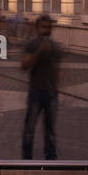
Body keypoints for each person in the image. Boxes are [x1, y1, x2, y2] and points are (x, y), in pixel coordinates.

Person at [20, 14, 60, 160]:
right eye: (43, 27)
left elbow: (57, 69)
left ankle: (51, 157)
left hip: (51, 93)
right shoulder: (31, 45)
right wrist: (39, 52)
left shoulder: (55, 47)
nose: (46, 31)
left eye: (49, 27)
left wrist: (60, 86)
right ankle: (27, 158)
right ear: (37, 28)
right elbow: (24, 66)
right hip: (35, 91)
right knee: (29, 128)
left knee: (50, 130)